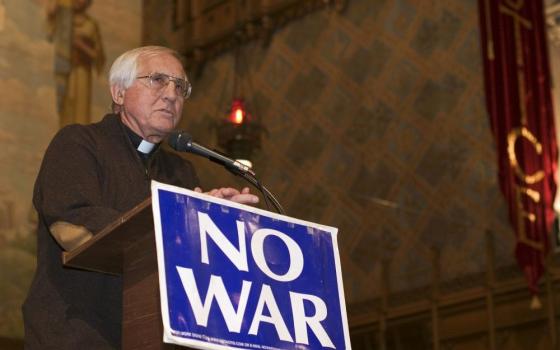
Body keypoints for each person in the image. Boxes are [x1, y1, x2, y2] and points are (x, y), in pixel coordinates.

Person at [22, 46, 259, 349]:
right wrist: (176, 220)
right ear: (118, 93)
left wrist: (213, 222)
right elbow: (70, 231)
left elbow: (192, 273)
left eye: (180, 86)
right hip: (76, 333)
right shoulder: (79, 144)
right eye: (158, 80)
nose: (172, 94)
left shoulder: (180, 172)